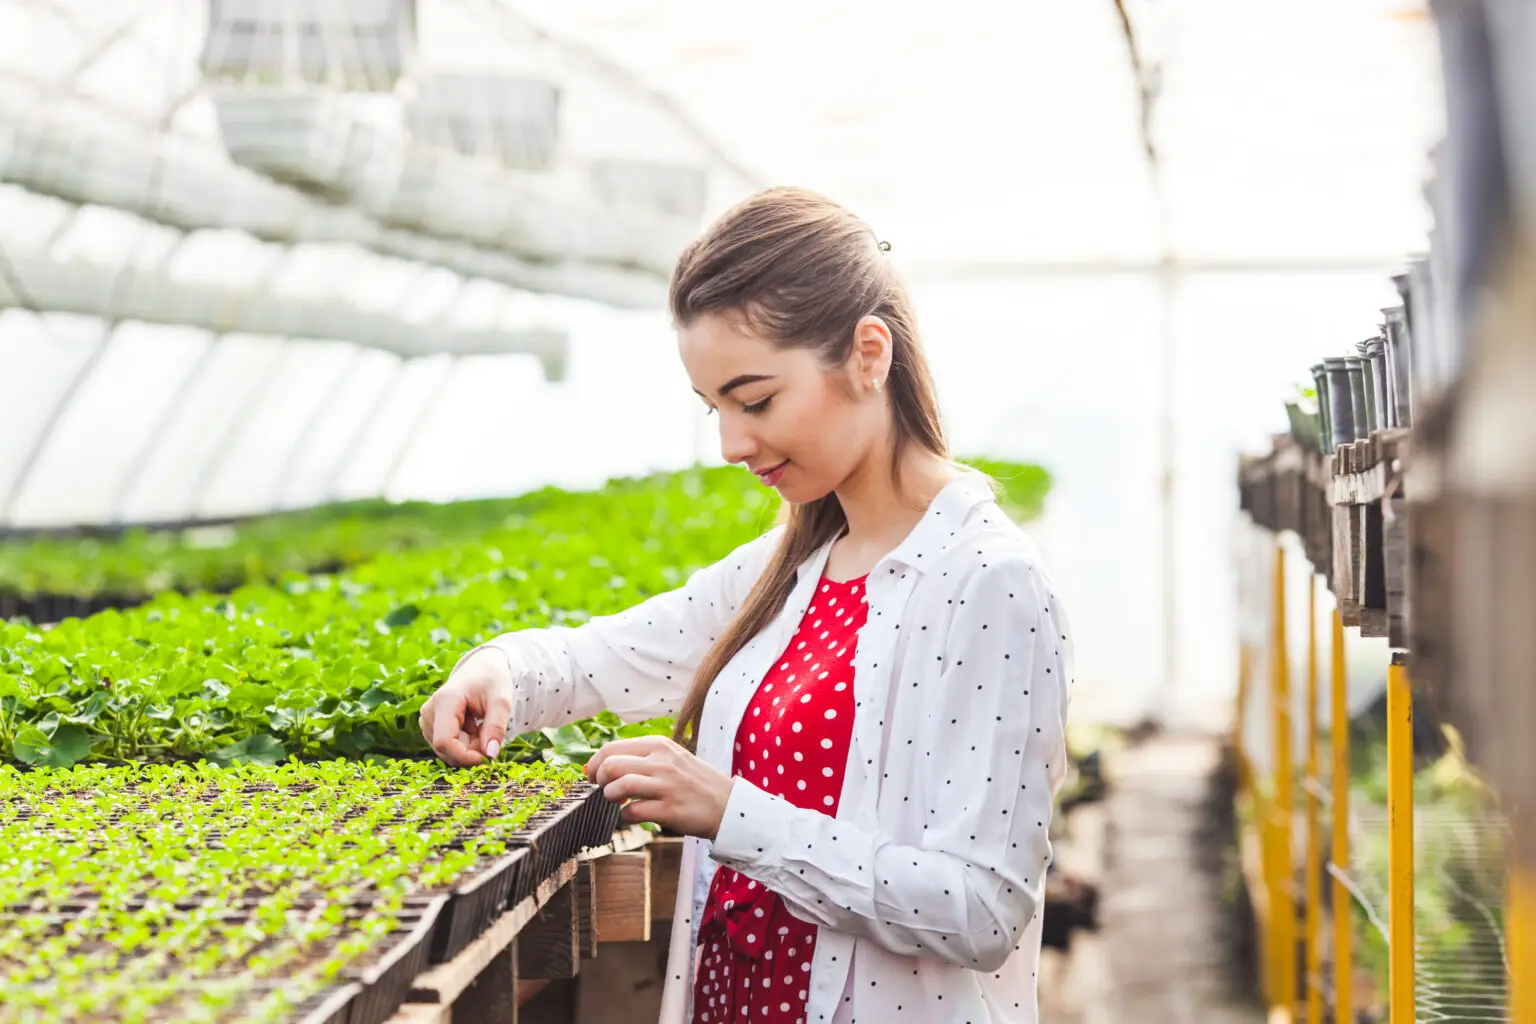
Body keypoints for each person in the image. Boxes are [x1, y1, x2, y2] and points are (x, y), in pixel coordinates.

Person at [418, 186, 1074, 1024]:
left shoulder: (988, 582)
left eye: (756, 400)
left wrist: (732, 813)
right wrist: (502, 668)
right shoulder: (792, 563)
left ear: (869, 354)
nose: (732, 444)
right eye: (715, 409)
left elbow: (980, 908)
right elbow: (605, 657)